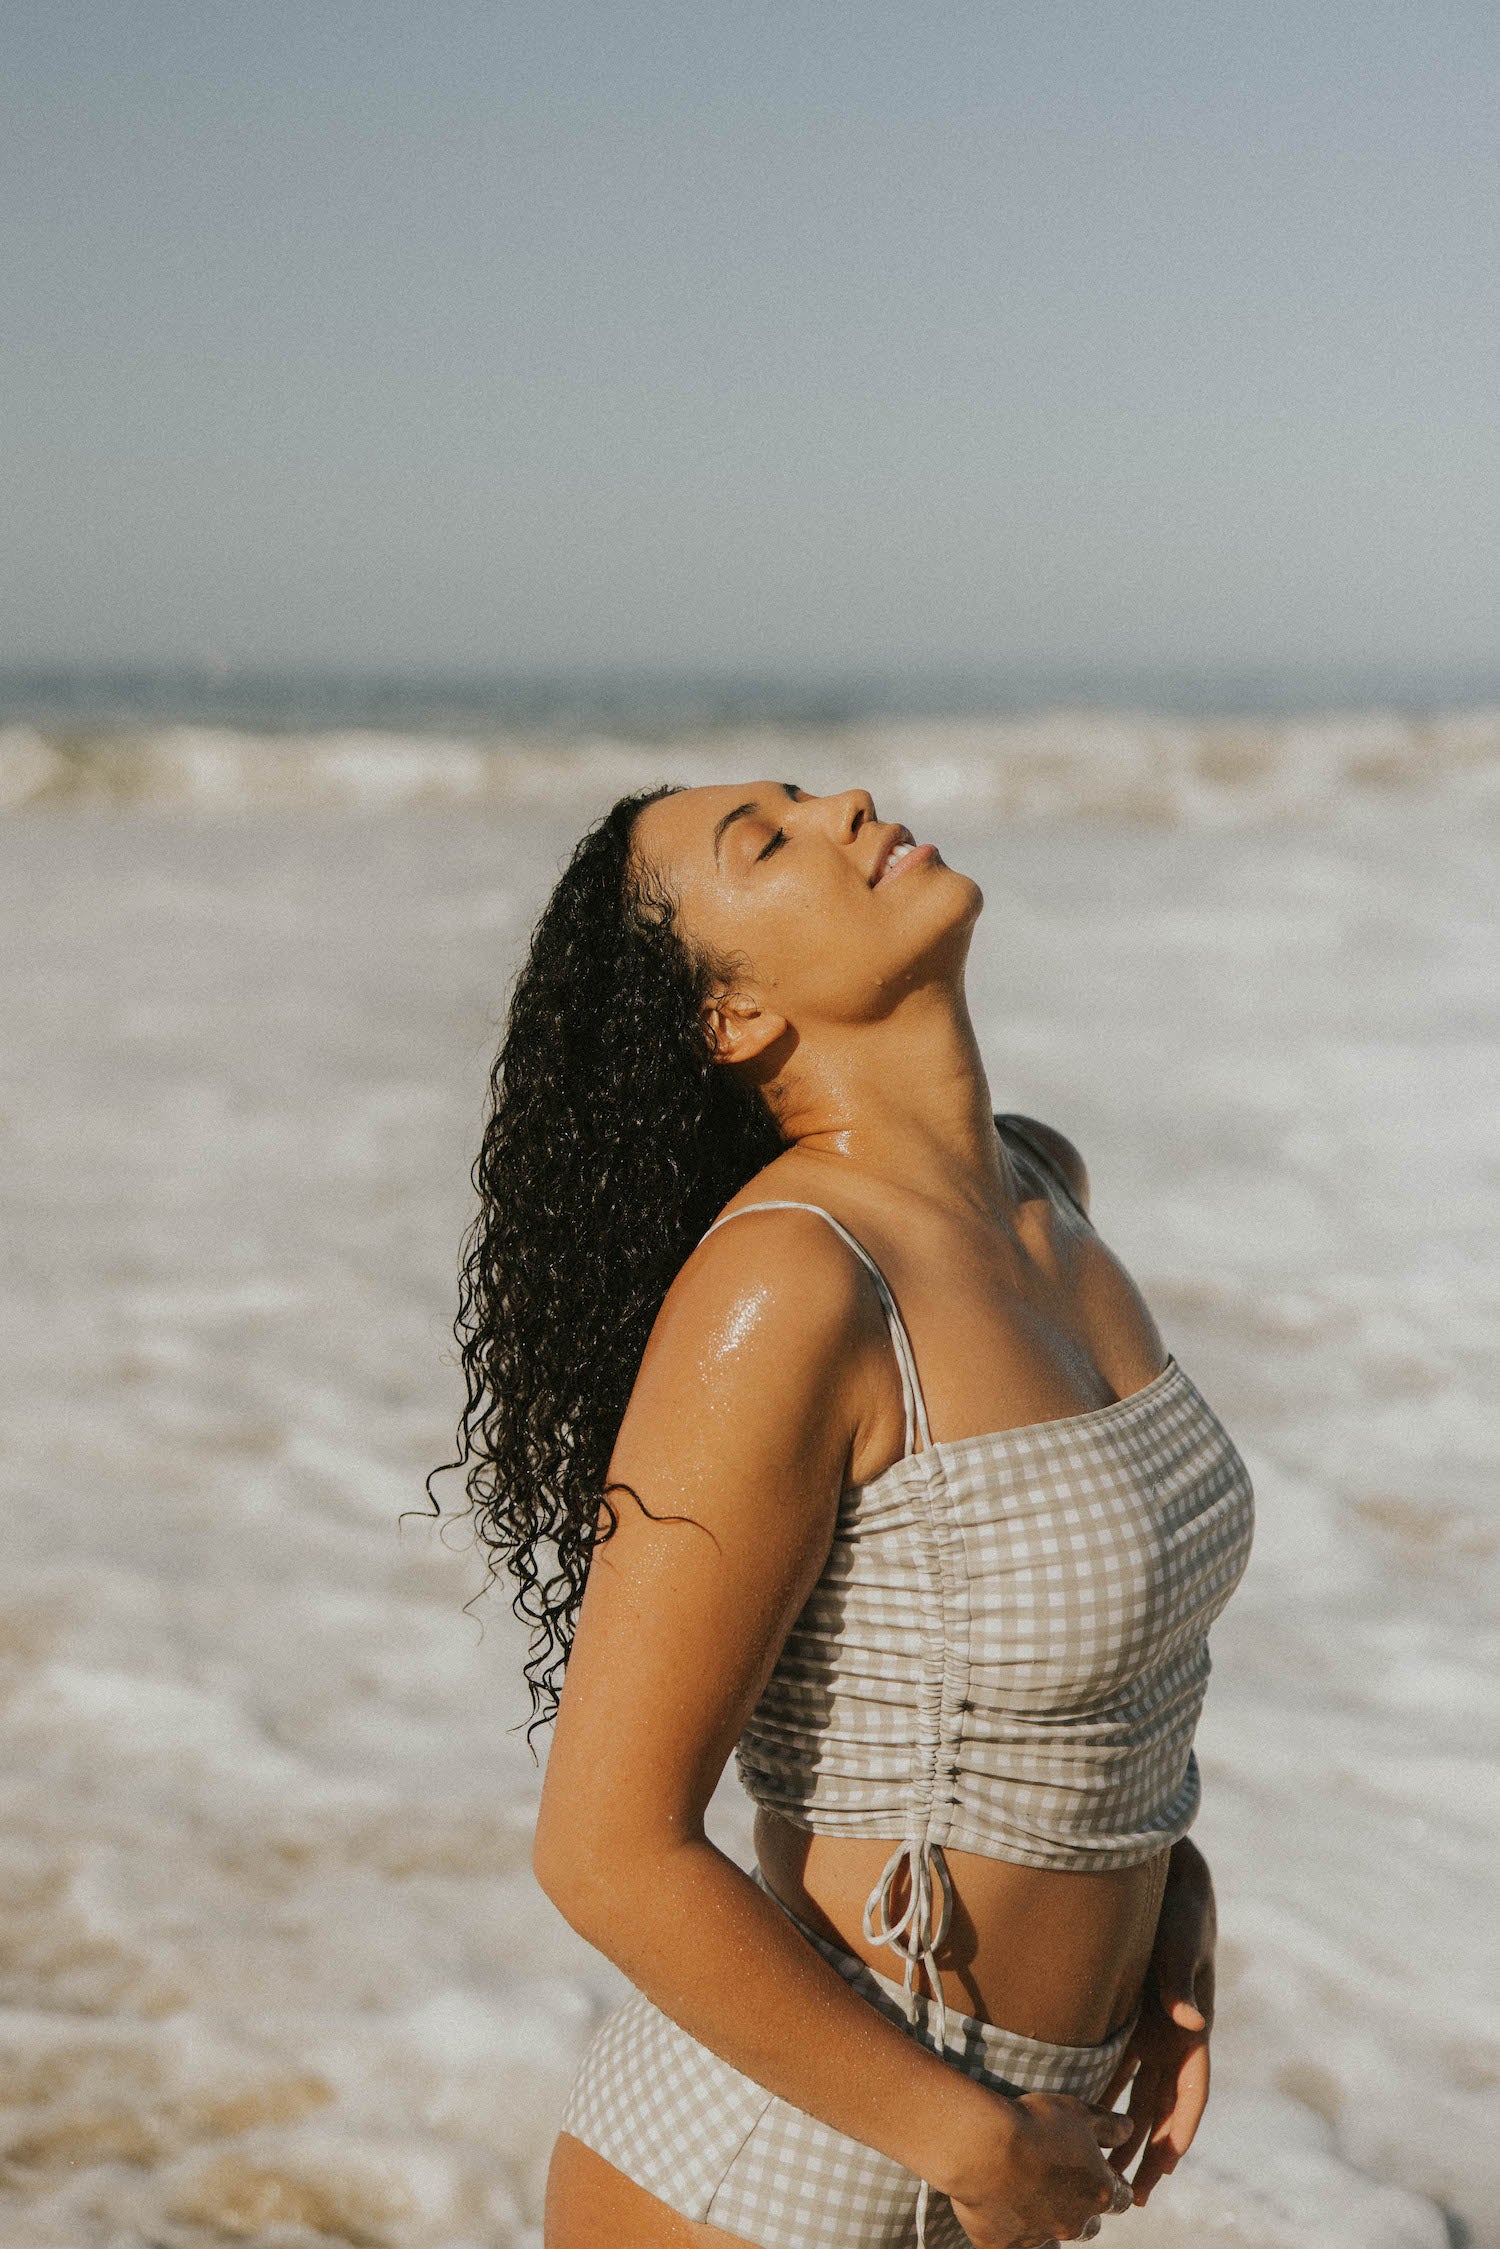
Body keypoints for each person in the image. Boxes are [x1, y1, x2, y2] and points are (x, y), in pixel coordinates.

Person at [435, 780, 1254, 2249]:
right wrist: (973, 2138)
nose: (845, 805)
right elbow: (605, 1847)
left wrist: (1171, 1913)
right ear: (732, 1015)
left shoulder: (1043, 1193)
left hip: (1016, 2158)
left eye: (809, 792)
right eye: (770, 837)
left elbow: (1085, 1687)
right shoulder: (791, 1289)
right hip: (773, 2179)